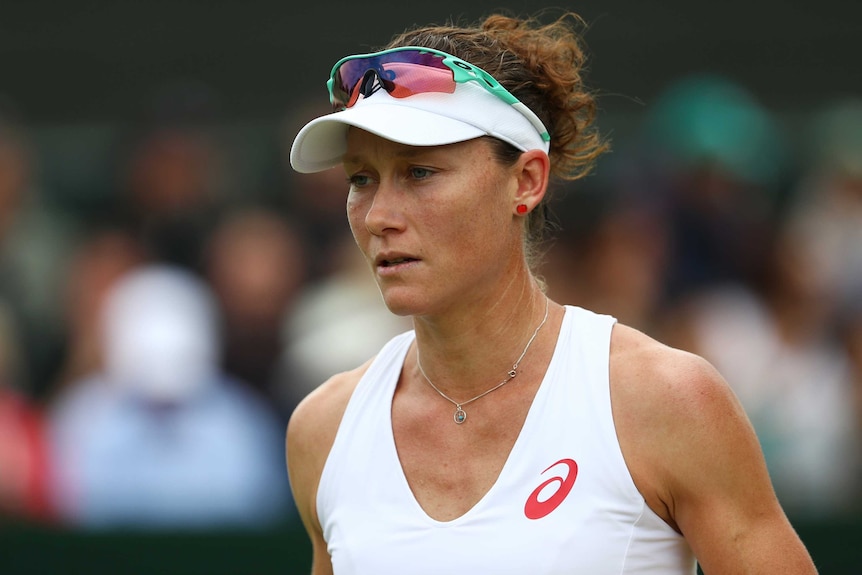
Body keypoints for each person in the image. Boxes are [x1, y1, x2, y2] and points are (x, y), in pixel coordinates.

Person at [285, 11, 818, 574]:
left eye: (419, 173)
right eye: (360, 179)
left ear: (526, 180)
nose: (379, 216)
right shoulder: (323, 429)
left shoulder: (667, 401)